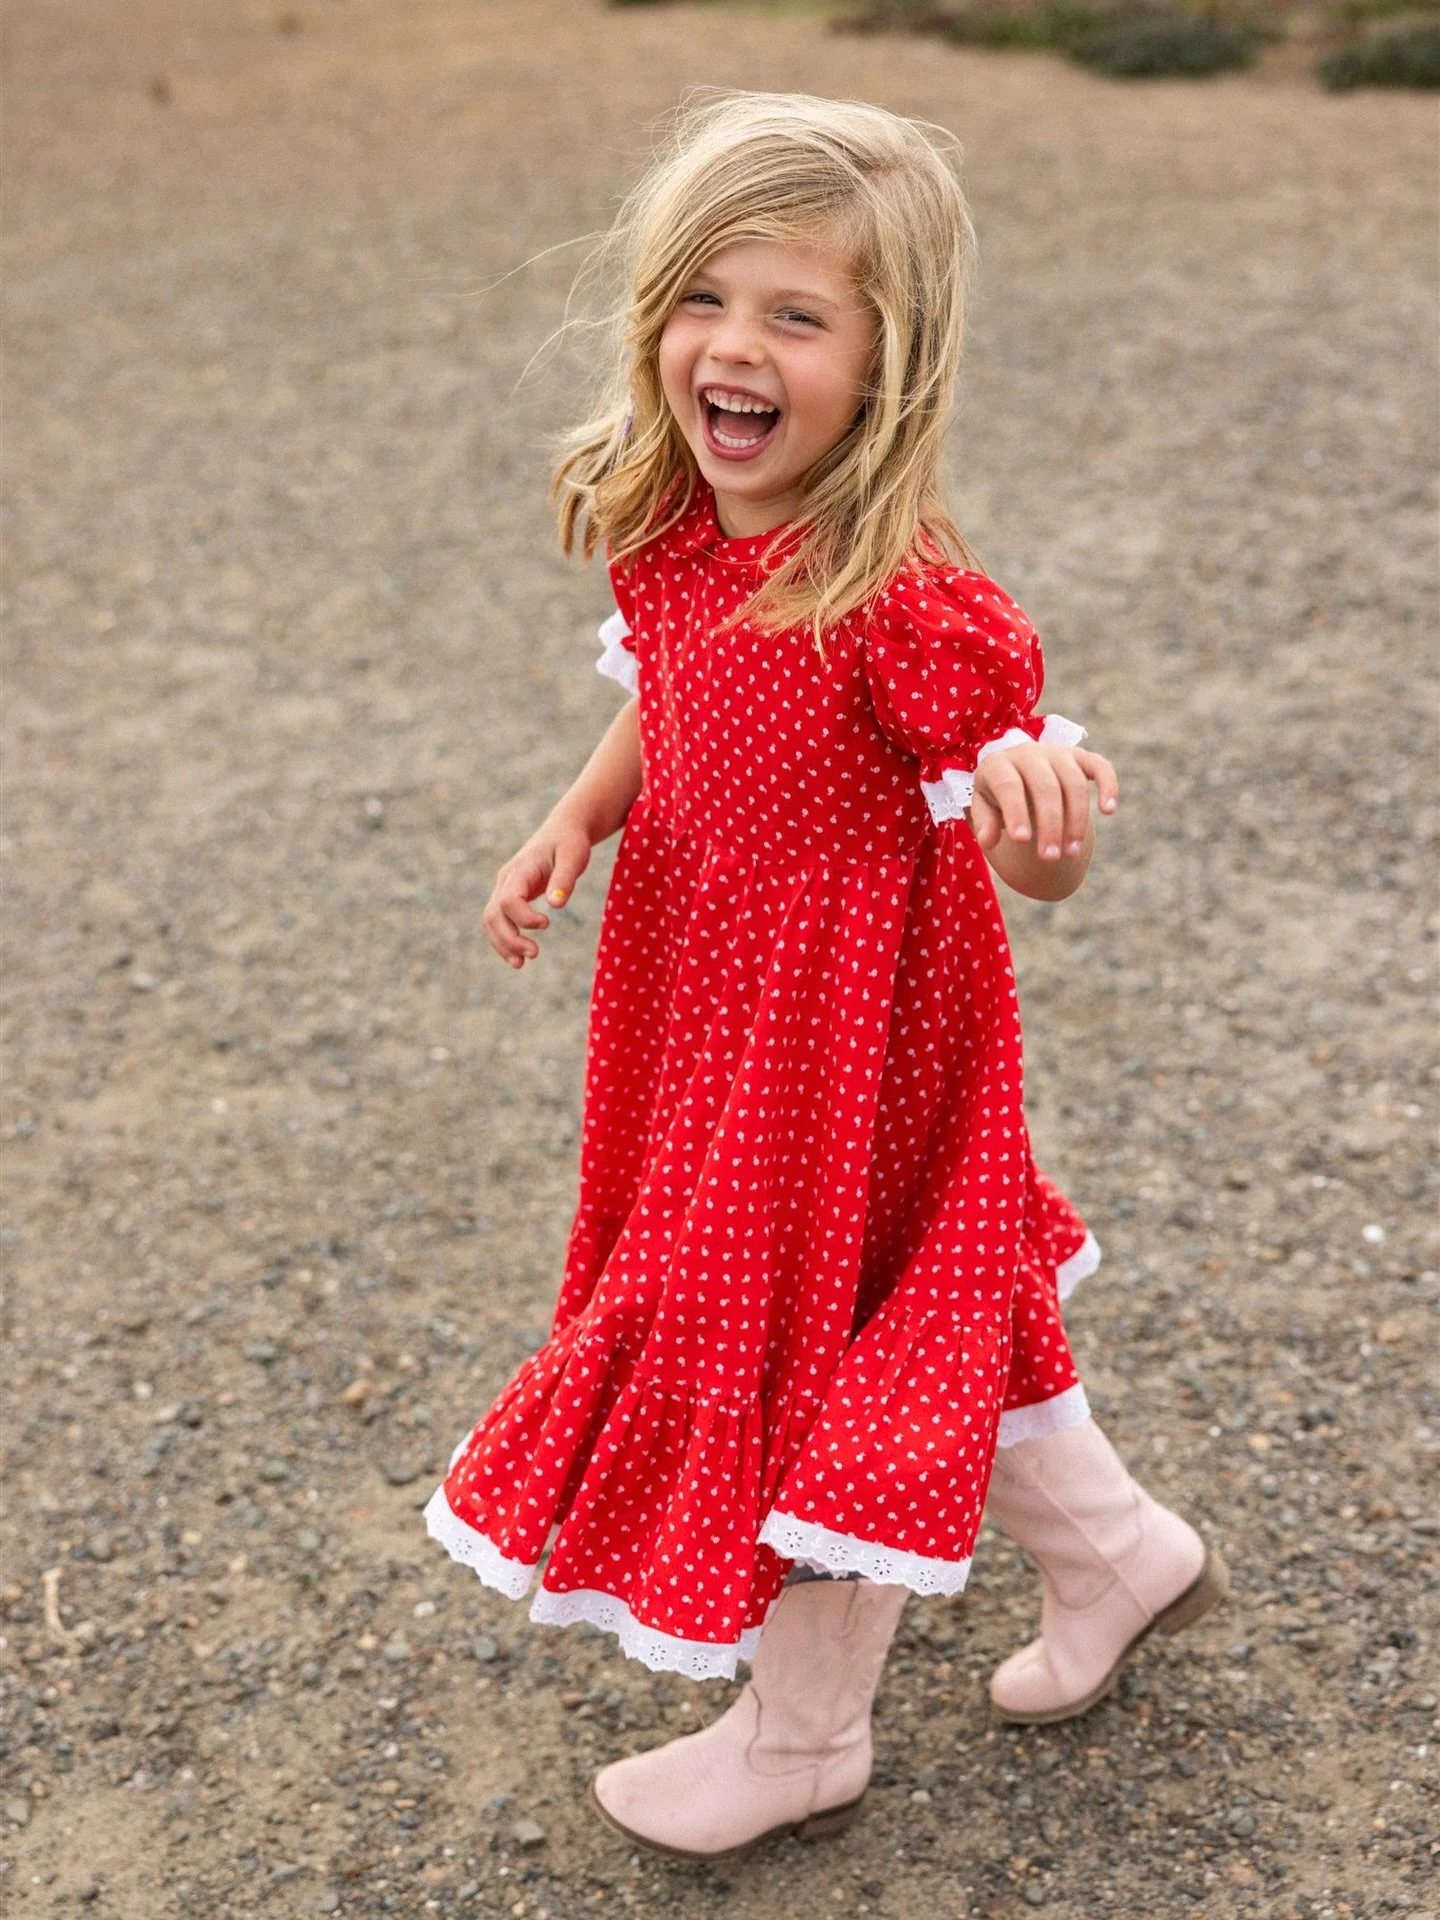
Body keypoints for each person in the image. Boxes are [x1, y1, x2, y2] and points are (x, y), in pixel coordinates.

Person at [423, 89, 1227, 1861]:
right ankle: (1115, 1553)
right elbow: (669, 685)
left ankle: (803, 1736)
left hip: (857, 1033)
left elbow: (1034, 860)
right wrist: (579, 817)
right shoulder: (675, 528)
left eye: (799, 315)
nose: (737, 348)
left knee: (812, 1344)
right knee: (910, 1320)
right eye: (708, 299)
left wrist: (1042, 817)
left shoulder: (911, 605)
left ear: (891, 359)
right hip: (710, 988)